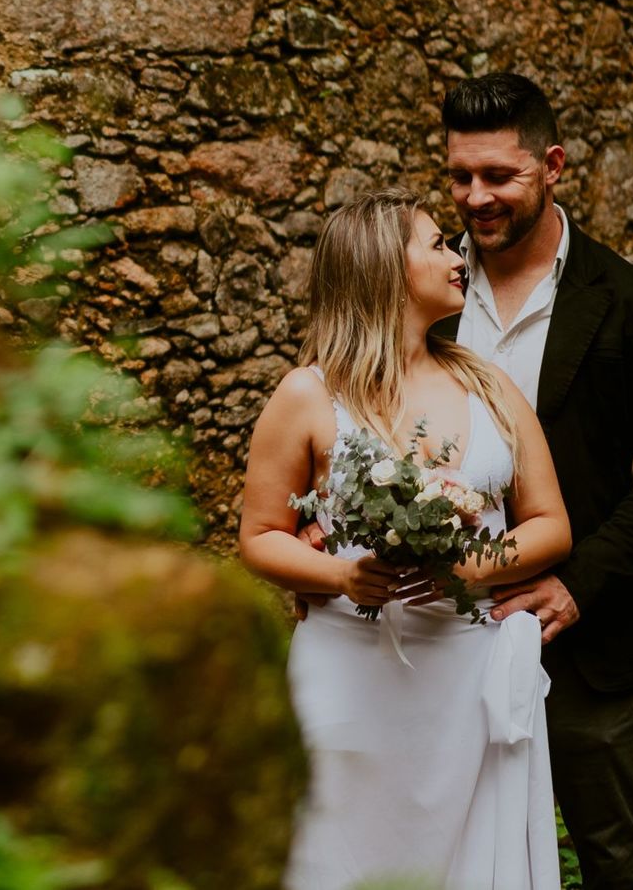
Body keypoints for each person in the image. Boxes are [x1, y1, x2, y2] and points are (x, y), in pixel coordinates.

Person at [240, 187, 573, 890]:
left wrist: (476, 561)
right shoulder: (309, 393)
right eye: (434, 244)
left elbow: (550, 524)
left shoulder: (490, 385)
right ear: (384, 269)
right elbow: (260, 535)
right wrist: (339, 578)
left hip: (465, 669)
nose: (457, 256)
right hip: (349, 668)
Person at [436, 73, 633, 889]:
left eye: (499, 176)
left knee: (616, 860)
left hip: (576, 639)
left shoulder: (629, 299)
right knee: (443, 853)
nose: (476, 197)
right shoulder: (423, 290)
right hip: (433, 632)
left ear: (552, 165)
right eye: (459, 176)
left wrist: (578, 582)